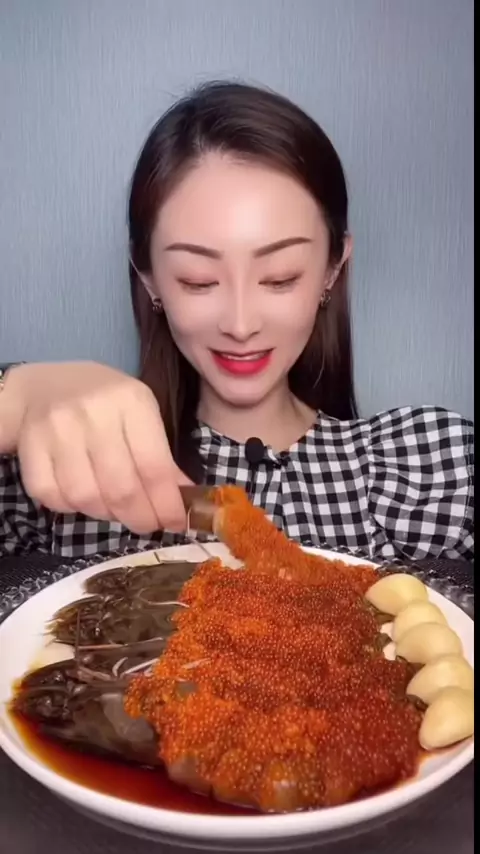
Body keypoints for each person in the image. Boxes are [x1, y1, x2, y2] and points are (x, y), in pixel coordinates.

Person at [0, 81, 473, 562]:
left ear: (333, 268)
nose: (241, 325)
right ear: (149, 278)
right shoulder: (61, 476)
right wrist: (15, 397)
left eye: (281, 277)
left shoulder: (433, 467)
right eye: (198, 280)